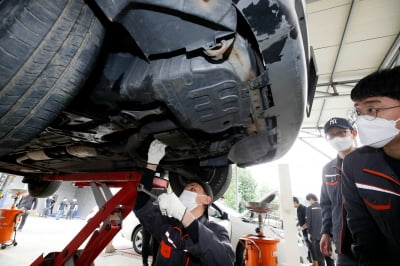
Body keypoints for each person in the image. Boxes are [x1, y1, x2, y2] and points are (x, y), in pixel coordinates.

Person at [134, 140, 234, 266]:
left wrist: (184, 216)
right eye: (184, 190)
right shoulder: (169, 226)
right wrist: (151, 165)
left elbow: (225, 261)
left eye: (192, 189)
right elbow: (141, 207)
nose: (186, 191)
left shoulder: (216, 230)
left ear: (207, 200)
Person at [341, 66, 400, 266]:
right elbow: (362, 229)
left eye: (372, 109)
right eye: (359, 112)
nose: (363, 119)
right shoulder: (356, 166)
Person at [319, 117, 358, 266]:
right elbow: (326, 204)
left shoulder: (371, 161)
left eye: (342, 133)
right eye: (332, 135)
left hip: (375, 241)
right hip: (344, 243)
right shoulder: (328, 169)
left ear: (353, 133)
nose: (337, 138)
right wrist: (326, 232)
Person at [305, 193, 334, 266]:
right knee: (329, 256)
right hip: (326, 235)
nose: (309, 202)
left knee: (320, 258)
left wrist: (309, 233)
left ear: (311, 199)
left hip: (315, 236)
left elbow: (309, 222)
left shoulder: (309, 208)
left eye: (309, 200)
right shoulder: (324, 207)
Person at [293, 196, 313, 263]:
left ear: (295, 202)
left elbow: (308, 221)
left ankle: (314, 262)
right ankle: (311, 260)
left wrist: (301, 228)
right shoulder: (298, 209)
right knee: (308, 246)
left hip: (308, 231)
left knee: (310, 246)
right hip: (304, 231)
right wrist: (296, 225)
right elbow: (300, 219)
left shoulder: (304, 208)